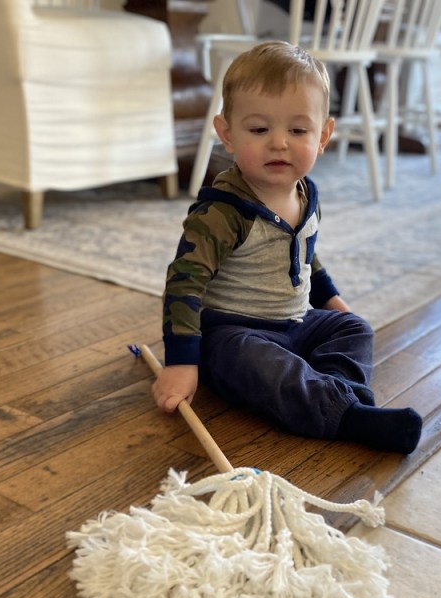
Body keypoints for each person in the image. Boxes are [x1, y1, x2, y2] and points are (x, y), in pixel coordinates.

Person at [153, 41, 422, 455]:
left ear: (323, 136)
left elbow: (304, 255)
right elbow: (184, 283)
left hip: (295, 322)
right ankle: (346, 417)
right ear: (226, 133)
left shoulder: (304, 193)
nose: (279, 143)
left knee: (355, 328)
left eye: (297, 131)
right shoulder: (222, 212)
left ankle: (338, 395)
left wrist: (332, 301)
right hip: (233, 332)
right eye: (259, 130)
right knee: (255, 362)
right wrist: (181, 361)